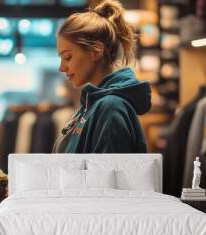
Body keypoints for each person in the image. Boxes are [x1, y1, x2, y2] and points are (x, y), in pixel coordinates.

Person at [52, 0, 151, 153]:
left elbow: (105, 176)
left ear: (96, 51)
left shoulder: (110, 108)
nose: (61, 67)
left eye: (68, 57)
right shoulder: (93, 104)